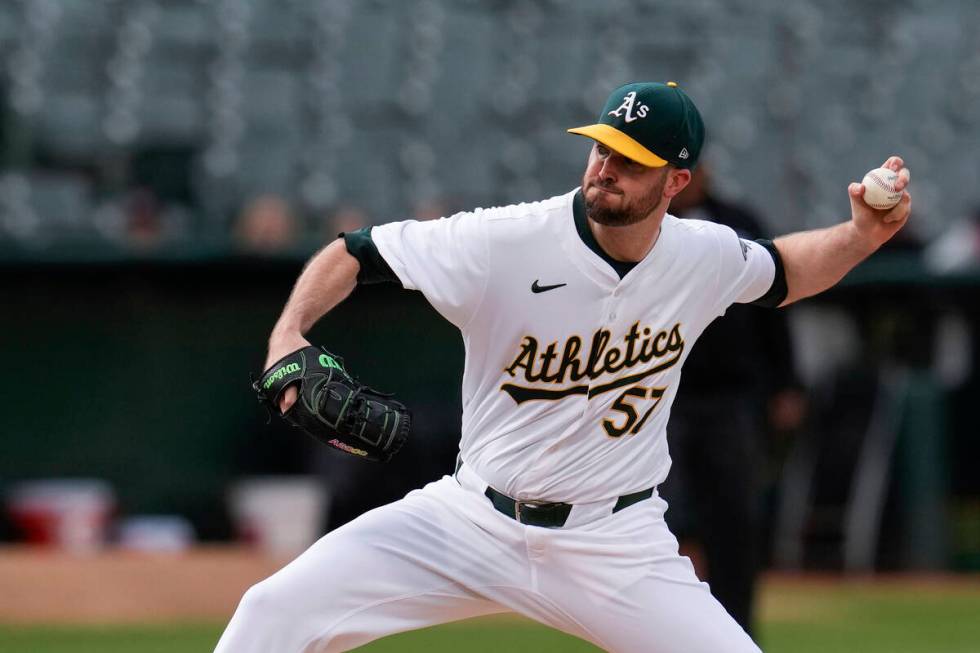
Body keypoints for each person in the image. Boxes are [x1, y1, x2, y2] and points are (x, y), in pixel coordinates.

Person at [215, 82, 911, 653]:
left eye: (630, 159)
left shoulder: (702, 255)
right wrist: (286, 334)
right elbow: (356, 252)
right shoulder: (504, 241)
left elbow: (787, 269)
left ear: (677, 180)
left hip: (614, 542)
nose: (605, 168)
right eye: (601, 147)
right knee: (271, 612)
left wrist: (858, 236)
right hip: (471, 520)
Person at [658, 164, 806, 634]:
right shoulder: (642, 230)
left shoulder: (737, 224)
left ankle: (737, 632)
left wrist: (787, 383)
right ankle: (672, 632)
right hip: (659, 400)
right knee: (663, 521)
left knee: (735, 521)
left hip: (732, 399)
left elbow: (776, 306)